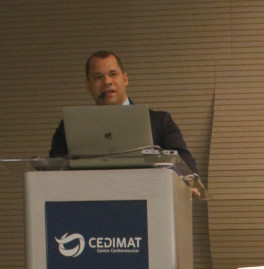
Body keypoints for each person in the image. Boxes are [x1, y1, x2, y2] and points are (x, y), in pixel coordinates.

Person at [49, 50, 200, 176]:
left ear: (125, 79)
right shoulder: (70, 127)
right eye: (98, 77)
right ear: (88, 85)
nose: (107, 81)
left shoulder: (160, 122)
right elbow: (52, 172)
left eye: (113, 74)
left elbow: (188, 170)